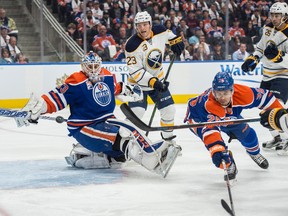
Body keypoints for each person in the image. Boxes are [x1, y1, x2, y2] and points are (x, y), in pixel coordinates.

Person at [16, 51, 181, 177]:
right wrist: (40, 107)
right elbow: (56, 97)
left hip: (106, 119)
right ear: (83, 67)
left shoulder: (107, 76)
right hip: (84, 126)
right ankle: (151, 160)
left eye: (96, 66)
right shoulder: (76, 81)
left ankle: (141, 150)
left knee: (128, 128)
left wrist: (127, 89)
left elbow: (115, 88)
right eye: (90, 66)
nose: (94, 70)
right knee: (121, 136)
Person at [184, 71, 283, 181]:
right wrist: (217, 150)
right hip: (198, 119)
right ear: (213, 91)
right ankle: (228, 162)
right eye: (218, 93)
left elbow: (267, 98)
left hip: (229, 116)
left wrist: (279, 117)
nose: (222, 97)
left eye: (225, 93)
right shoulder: (207, 105)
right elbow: (210, 131)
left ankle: (254, 153)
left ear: (232, 90)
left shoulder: (244, 94)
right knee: (218, 152)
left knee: (248, 134)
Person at [124, 11, 184, 141]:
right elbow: (136, 72)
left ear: (150, 24)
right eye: (139, 25)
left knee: (169, 110)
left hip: (158, 81)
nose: (142, 28)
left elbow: (169, 35)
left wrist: (176, 41)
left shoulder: (160, 30)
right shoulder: (131, 45)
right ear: (135, 27)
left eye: (145, 24)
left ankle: (168, 139)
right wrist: (154, 83)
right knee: (137, 113)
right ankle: (125, 141)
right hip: (137, 85)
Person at [241, 2, 288, 151]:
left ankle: (286, 139)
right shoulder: (268, 28)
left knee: (275, 108)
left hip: (283, 76)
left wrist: (278, 57)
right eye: (273, 15)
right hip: (267, 75)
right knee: (264, 111)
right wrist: (253, 59)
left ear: (285, 16)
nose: (274, 18)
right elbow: (261, 47)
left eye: (277, 15)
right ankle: (277, 137)